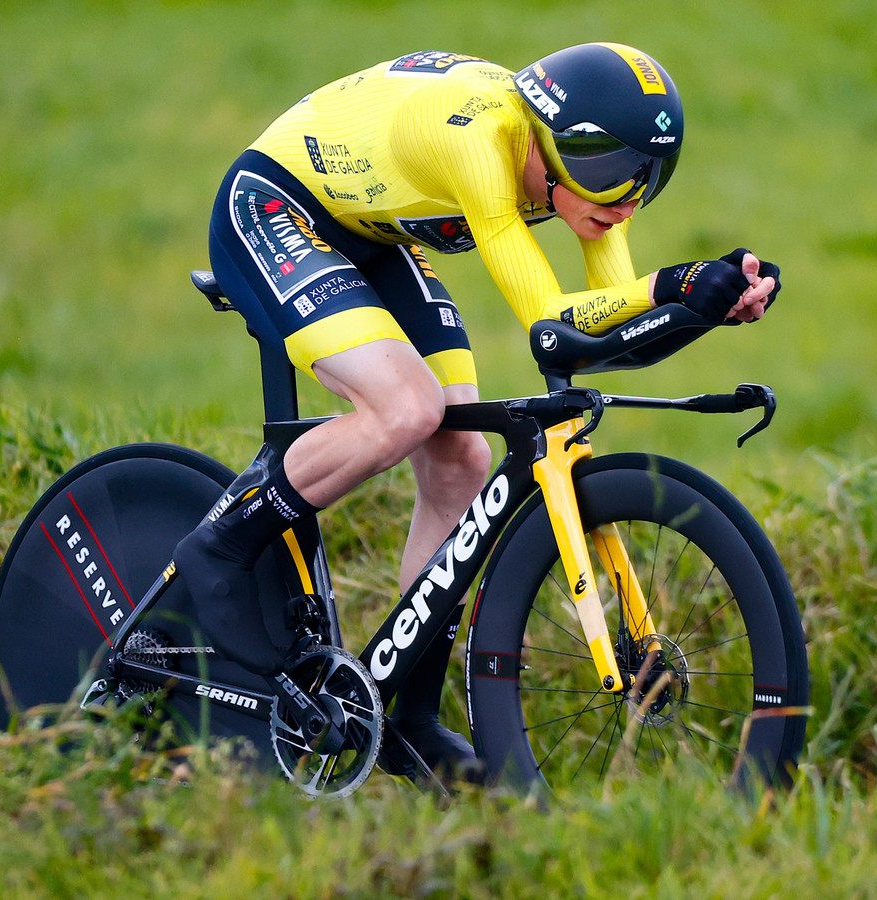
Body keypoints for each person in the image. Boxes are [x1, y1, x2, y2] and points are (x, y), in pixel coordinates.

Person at [175, 43, 781, 781]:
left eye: (647, 181)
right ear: (558, 144)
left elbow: (606, 332)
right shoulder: (481, 139)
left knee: (461, 456)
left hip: (371, 234)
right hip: (273, 207)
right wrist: (673, 285)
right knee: (406, 408)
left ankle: (407, 717)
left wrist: (701, 299)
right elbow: (552, 320)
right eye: (613, 176)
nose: (626, 200)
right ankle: (221, 546)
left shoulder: (591, 177)